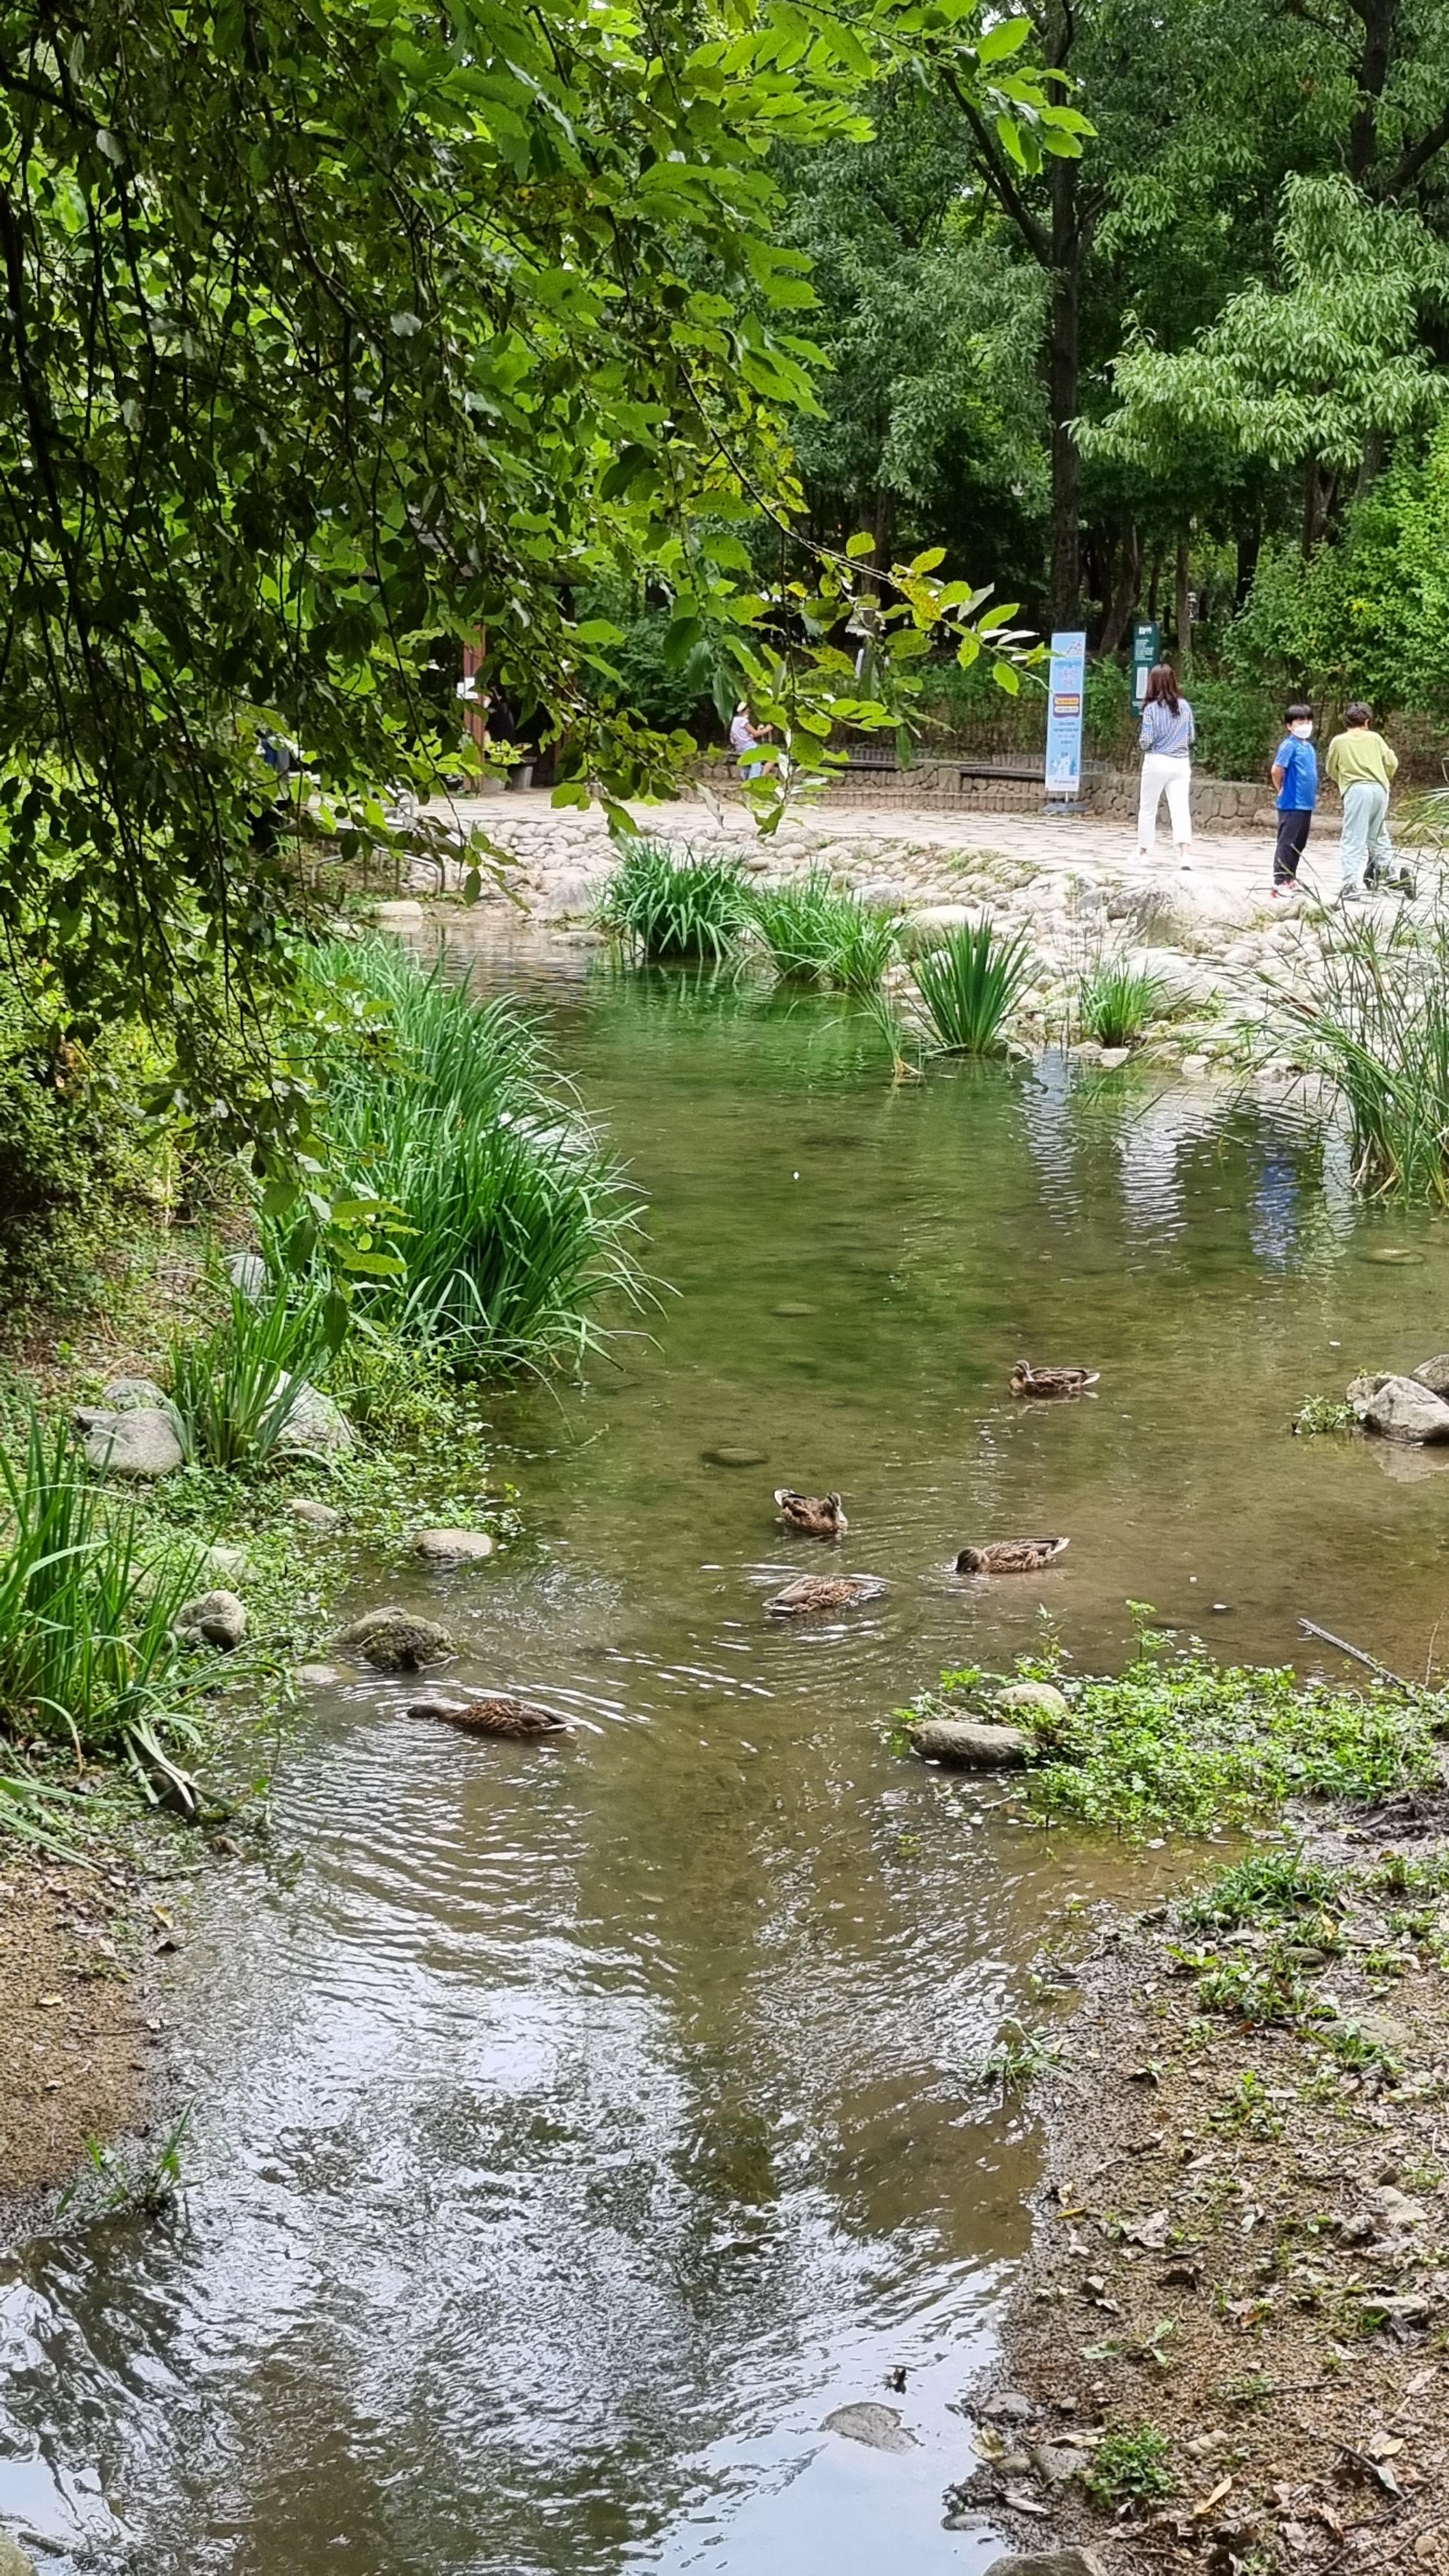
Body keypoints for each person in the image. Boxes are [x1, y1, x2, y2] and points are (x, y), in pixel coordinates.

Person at [1322, 702, 1397, 902]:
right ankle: (1389, 873)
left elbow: (1331, 768)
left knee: (1353, 836)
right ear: (1367, 722)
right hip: (1380, 789)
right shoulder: (1375, 738)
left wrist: (1343, 781)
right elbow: (1392, 762)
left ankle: (1349, 884)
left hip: (1357, 790)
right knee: (1378, 833)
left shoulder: (1339, 742)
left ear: (1345, 721)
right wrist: (1385, 777)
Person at [1137, 663, 1195, 870]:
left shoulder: (1151, 709)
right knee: (1180, 809)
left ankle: (1143, 852)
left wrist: (1146, 744)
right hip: (1180, 762)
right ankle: (1185, 855)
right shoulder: (1185, 706)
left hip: (1156, 761)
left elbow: (1146, 740)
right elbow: (1191, 736)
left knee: (1148, 807)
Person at [1269, 703, 1317, 897]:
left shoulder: (1309, 747)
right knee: (1287, 841)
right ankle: (1280, 880)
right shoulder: (1289, 745)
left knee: (1299, 842)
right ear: (1289, 726)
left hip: (1306, 804)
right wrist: (1280, 788)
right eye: (1300, 721)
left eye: (1308, 721)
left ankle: (1290, 877)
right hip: (1292, 802)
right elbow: (1277, 769)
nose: (1305, 725)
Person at [730, 702, 769, 781]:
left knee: (747, 765)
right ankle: (755, 779)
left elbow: (747, 735)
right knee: (757, 762)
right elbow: (755, 733)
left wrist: (759, 730)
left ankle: (747, 779)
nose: (749, 713)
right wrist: (767, 729)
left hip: (740, 747)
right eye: (748, 711)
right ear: (743, 711)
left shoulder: (735, 720)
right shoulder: (743, 721)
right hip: (749, 746)